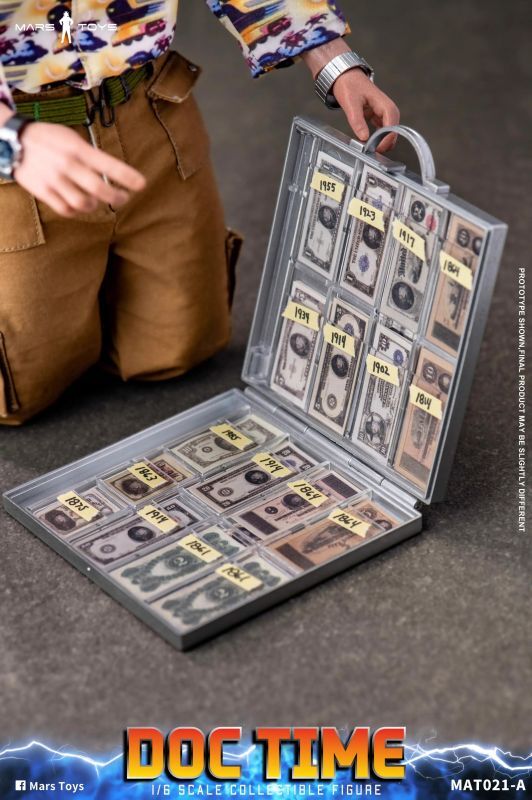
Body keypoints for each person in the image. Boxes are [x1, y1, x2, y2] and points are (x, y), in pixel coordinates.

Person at [0, 1, 399, 426]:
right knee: (22, 389)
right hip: (24, 133)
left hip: (147, 102)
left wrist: (331, 57)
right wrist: (13, 141)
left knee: (179, 346)